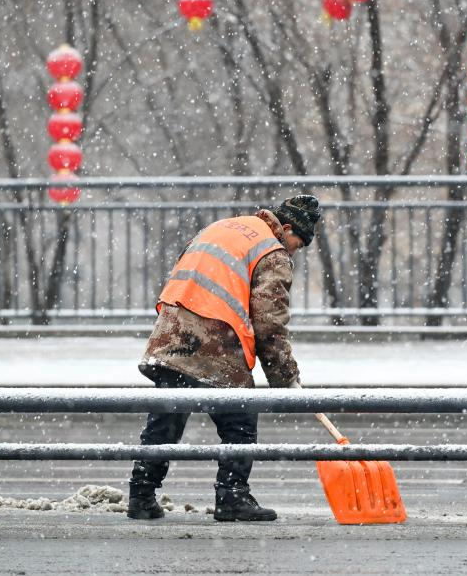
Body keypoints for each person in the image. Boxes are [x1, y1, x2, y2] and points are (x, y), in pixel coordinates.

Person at [126, 194, 321, 522]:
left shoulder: (226, 227)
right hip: (215, 339)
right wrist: (285, 376)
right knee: (240, 420)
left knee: (166, 419)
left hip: (172, 333)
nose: (294, 252)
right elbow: (269, 324)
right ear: (287, 229)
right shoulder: (272, 251)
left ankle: (141, 495)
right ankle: (232, 496)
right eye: (297, 244)